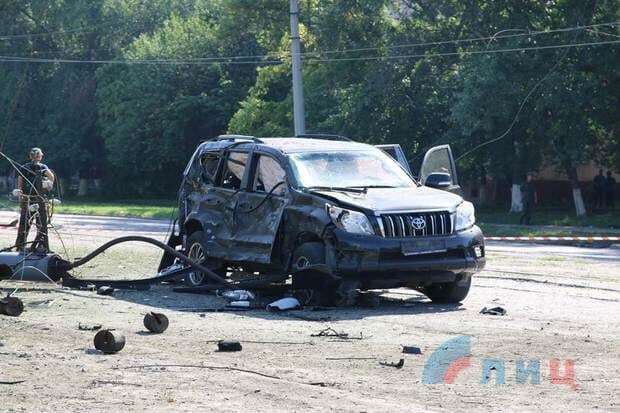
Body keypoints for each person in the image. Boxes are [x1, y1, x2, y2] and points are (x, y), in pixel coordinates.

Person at [13, 148, 55, 252]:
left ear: (30, 156)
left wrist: (20, 199)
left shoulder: (24, 167)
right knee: (41, 223)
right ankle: (41, 245)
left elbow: (20, 184)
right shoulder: (43, 167)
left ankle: (20, 246)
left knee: (24, 223)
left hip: (27, 199)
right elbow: (52, 177)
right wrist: (48, 184)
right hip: (40, 199)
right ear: (40, 156)